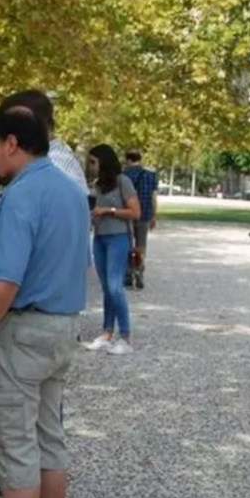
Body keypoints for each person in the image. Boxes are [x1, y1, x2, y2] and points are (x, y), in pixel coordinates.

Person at [0, 106, 89, 498]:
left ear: (12, 143)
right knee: (50, 438)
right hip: (63, 327)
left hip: (23, 331)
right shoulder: (69, 190)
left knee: (15, 443)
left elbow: (4, 284)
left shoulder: (21, 195)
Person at [83, 144, 141, 355]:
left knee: (116, 286)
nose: (91, 166)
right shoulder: (98, 185)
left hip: (118, 238)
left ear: (104, 162)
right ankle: (107, 333)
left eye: (93, 162)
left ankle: (125, 337)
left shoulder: (122, 181)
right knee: (107, 287)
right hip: (99, 238)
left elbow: (135, 212)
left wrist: (109, 210)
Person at [123, 149, 158, 289]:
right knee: (141, 245)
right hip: (144, 214)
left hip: (127, 214)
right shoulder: (150, 175)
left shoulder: (123, 176)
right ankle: (139, 269)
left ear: (128, 160)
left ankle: (128, 273)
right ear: (140, 159)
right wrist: (154, 215)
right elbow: (153, 198)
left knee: (127, 244)